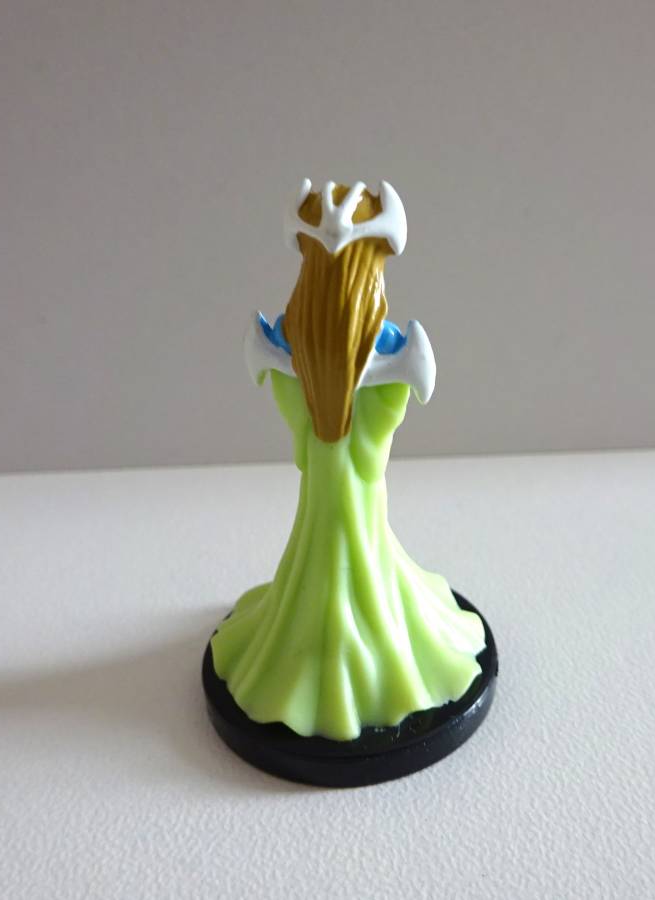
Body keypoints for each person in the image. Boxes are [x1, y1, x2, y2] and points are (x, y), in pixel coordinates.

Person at [211, 181, 485, 741]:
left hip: (346, 478)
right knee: (330, 546)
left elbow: (389, 394)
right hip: (332, 476)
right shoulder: (298, 339)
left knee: (349, 544)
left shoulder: (359, 341)